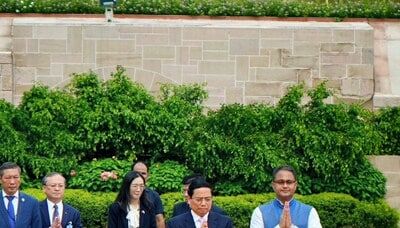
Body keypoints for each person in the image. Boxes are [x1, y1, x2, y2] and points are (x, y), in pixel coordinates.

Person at [250, 165, 322, 228]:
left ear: (295, 185)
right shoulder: (260, 212)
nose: (285, 186)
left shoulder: (309, 211)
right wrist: (280, 227)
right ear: (273, 185)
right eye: (280, 182)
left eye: (289, 182)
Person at [167, 178, 234, 228]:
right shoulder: (175, 224)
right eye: (199, 200)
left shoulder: (225, 222)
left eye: (207, 199)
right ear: (189, 199)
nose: (203, 203)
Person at [0, 162, 42, 228]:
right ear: (0, 179)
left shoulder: (32, 202)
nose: (12, 182)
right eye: (8, 178)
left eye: (16, 177)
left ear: (20, 179)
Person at [132, 161, 165, 228]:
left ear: (148, 175)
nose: (140, 176)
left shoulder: (154, 195)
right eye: (137, 173)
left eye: (143, 173)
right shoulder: (124, 194)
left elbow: (159, 220)